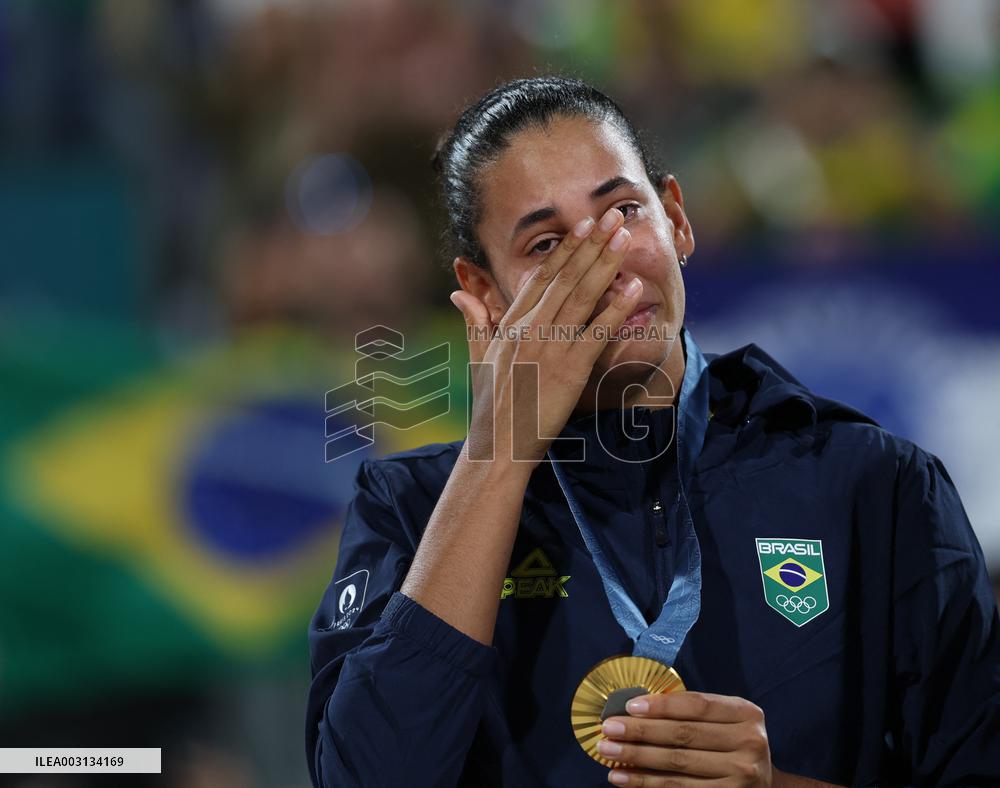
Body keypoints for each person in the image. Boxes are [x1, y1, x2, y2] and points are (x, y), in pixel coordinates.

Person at [305, 76, 1000, 787]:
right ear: (484, 294)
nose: (606, 266)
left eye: (624, 211)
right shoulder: (409, 509)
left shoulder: (872, 486)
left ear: (677, 219)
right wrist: (498, 452)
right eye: (547, 246)